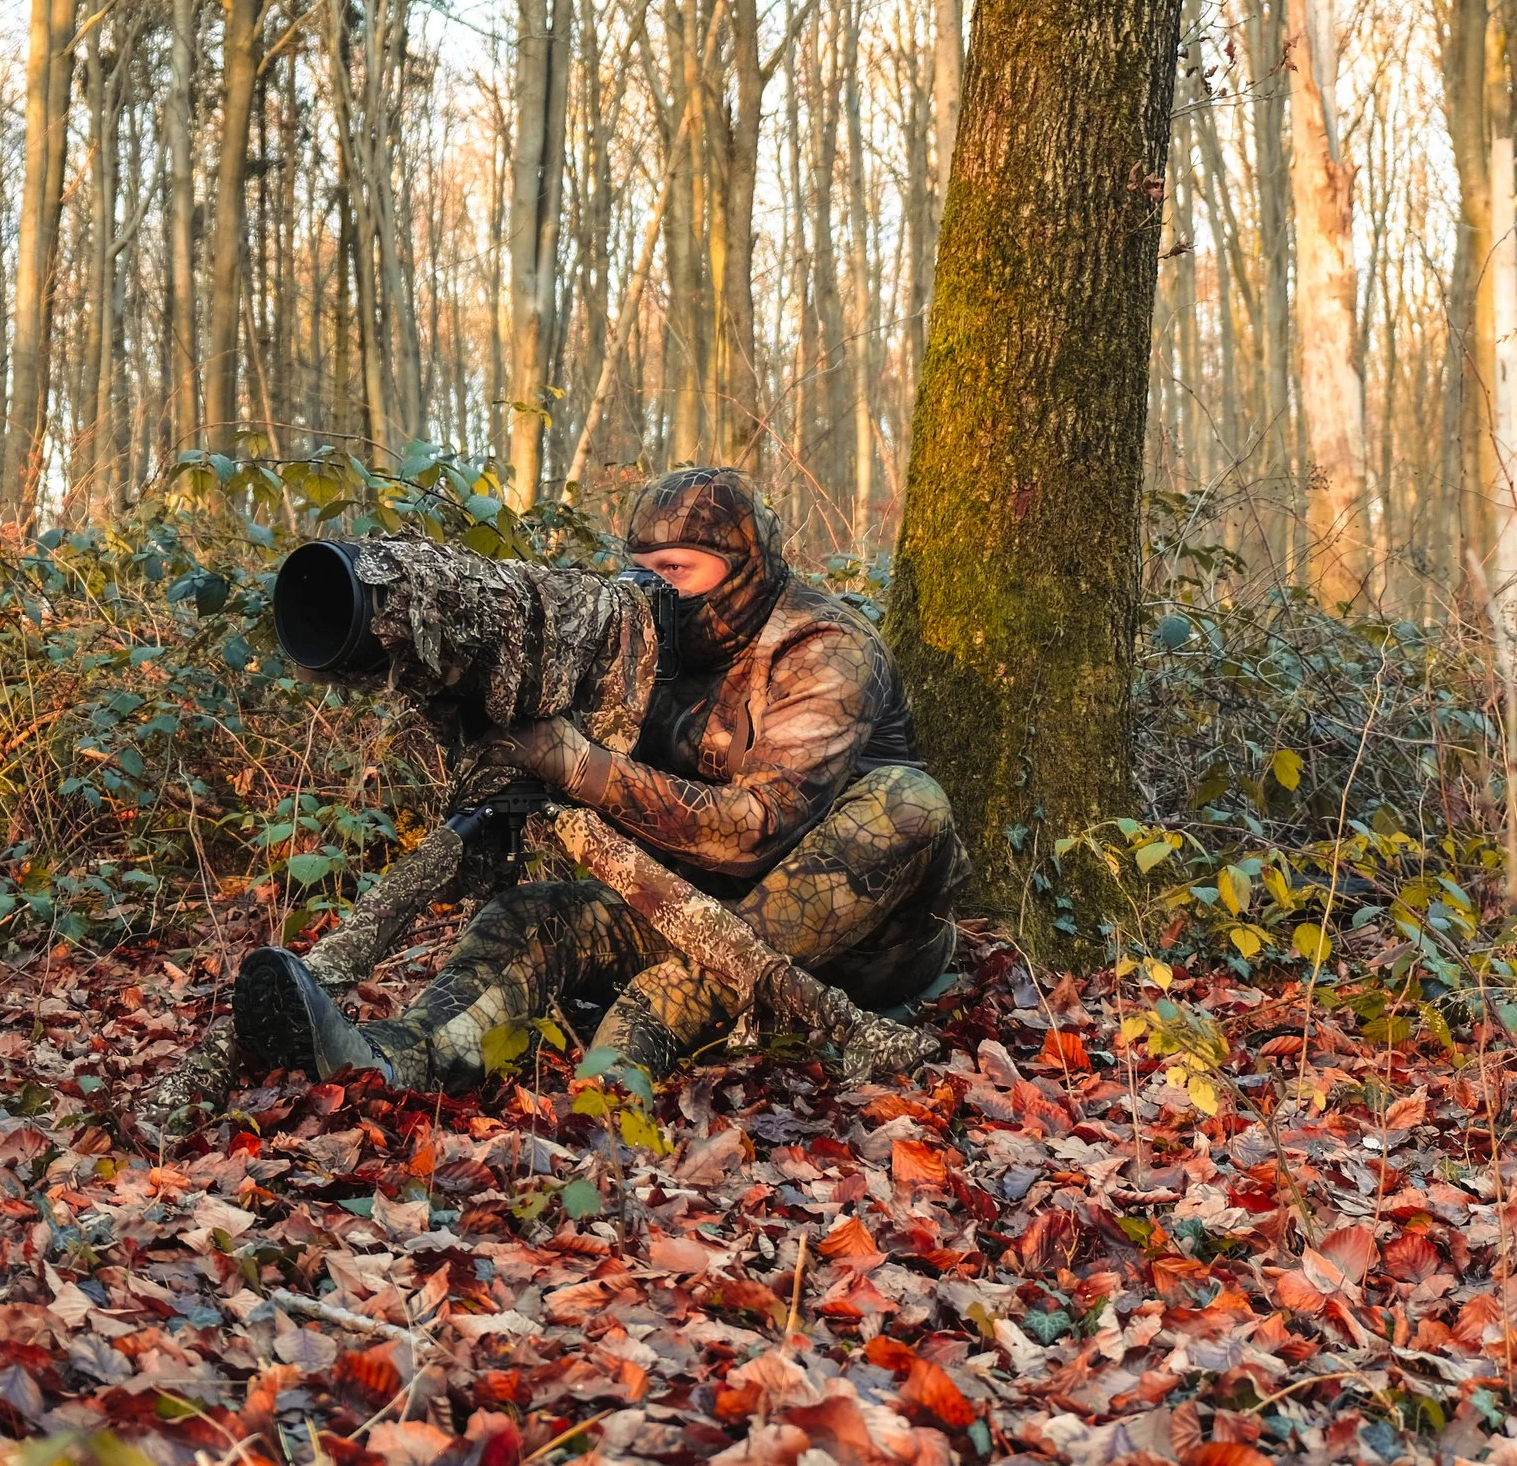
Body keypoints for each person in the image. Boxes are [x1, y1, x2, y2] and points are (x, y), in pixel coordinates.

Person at [233, 466, 968, 1089]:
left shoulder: (822, 645)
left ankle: (644, 1034)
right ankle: (394, 1058)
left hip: (858, 950)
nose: (652, 592)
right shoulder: (640, 643)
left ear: (742, 567)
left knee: (908, 804)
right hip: (688, 913)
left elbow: (755, 832)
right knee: (528, 918)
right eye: (640, 570)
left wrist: (581, 766)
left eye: (675, 572)